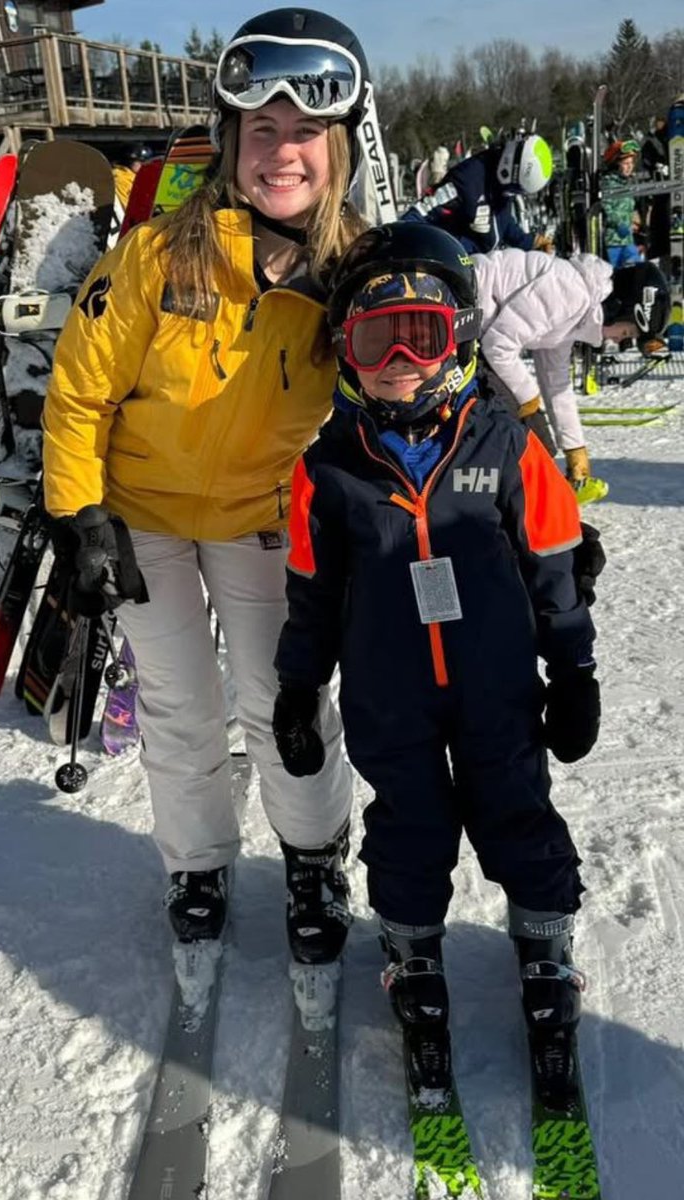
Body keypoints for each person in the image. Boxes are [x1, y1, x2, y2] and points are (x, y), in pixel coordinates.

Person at [42, 8, 369, 971]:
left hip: (262, 519)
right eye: (260, 130)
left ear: (335, 144)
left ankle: (313, 856)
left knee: (287, 700)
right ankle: (197, 861)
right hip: (143, 521)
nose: (281, 153)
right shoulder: (157, 255)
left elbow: (415, 387)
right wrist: (79, 515)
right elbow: (78, 388)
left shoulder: (353, 273)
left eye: (302, 132)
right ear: (231, 141)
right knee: (181, 705)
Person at [272, 222, 599, 1104]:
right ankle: (413, 960)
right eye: (375, 341)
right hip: (390, 698)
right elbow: (309, 592)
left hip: (496, 690)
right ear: (346, 349)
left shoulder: (502, 447)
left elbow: (555, 560)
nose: (399, 363)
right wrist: (299, 687)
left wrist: (573, 671)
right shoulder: (329, 471)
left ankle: (545, 956)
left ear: (455, 336)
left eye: (419, 335)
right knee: (409, 830)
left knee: (517, 813)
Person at [472, 250, 672, 504]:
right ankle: (506, 498)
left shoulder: (577, 313)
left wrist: (575, 449)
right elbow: (499, 345)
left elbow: (557, 384)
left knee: (535, 434)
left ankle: (532, 493)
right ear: (619, 308)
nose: (622, 339)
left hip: (476, 328)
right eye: (629, 330)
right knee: (506, 416)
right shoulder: (570, 292)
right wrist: (529, 401)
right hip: (460, 307)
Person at [401, 134, 555, 254]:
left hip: (478, 267)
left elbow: (503, 222)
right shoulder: (466, 182)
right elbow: (422, 211)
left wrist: (531, 242)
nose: (513, 194)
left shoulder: (500, 188)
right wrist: (395, 239)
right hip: (448, 263)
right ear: (510, 171)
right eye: (516, 189)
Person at [600, 139, 644, 267]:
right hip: (612, 241)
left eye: (631, 163)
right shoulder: (608, 183)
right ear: (616, 164)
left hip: (627, 240)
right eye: (625, 163)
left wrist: (635, 221)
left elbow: (630, 208)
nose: (630, 166)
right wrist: (620, 224)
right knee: (616, 275)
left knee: (636, 269)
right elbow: (606, 208)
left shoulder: (627, 184)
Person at [111, 143, 151, 212]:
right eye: (140, 162)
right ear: (128, 161)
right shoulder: (120, 178)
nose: (143, 165)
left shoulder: (133, 176)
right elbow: (125, 206)